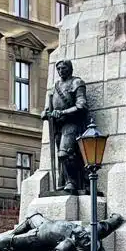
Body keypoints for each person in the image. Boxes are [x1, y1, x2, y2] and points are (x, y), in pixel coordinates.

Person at [41, 60, 88, 194]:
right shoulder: (55, 86)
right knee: (62, 156)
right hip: (57, 126)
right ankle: (66, 180)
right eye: (59, 69)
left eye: (64, 68)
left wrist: (62, 112)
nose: (61, 71)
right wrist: (45, 113)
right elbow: (49, 106)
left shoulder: (77, 83)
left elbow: (81, 105)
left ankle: (71, 182)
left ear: (70, 69)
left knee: (64, 153)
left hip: (72, 123)